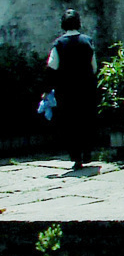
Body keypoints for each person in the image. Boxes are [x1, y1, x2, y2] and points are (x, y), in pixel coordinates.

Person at [47, 9, 98, 171]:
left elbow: (51, 66)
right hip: (86, 89)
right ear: (79, 23)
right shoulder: (87, 41)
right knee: (87, 119)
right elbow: (94, 66)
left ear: (63, 25)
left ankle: (76, 158)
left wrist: (48, 89)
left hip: (66, 91)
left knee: (70, 124)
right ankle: (88, 151)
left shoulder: (59, 44)